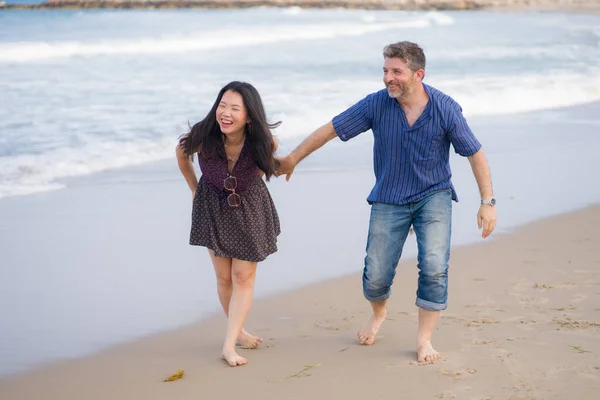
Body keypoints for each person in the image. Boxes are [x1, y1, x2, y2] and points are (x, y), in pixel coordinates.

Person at [276, 41, 497, 363]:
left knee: (434, 266)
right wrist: (294, 157)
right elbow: (332, 129)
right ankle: (378, 313)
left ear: (418, 74)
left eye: (396, 71)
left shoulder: (445, 108)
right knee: (376, 275)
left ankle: (424, 340)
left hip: (432, 195)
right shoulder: (376, 105)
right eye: (385, 71)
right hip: (389, 197)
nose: (388, 78)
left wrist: (487, 201)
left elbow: (474, 152)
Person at [176, 81, 281, 367]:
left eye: (235, 108)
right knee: (224, 277)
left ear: (249, 115)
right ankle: (241, 333)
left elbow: (266, 165)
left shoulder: (263, 141)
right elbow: (182, 153)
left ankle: (228, 345)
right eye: (222, 105)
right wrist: (195, 189)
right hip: (212, 208)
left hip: (249, 211)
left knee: (243, 278)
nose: (226, 113)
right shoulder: (203, 135)